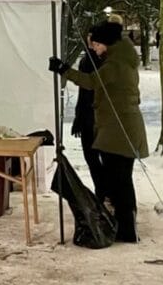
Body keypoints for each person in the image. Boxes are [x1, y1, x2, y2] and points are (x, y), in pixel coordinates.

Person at [48, 18, 148, 243]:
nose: (93, 47)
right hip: (119, 129)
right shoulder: (120, 58)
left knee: (120, 180)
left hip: (120, 130)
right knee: (119, 179)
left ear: (107, 43)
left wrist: (63, 69)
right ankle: (124, 226)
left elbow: (91, 82)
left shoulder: (115, 64)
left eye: (97, 44)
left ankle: (127, 230)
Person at [70, 25, 105, 202]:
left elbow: (90, 86)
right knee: (91, 157)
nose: (92, 43)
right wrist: (78, 118)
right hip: (87, 115)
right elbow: (83, 93)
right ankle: (102, 190)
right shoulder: (86, 60)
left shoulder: (103, 60)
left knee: (98, 157)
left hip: (99, 116)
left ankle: (103, 191)